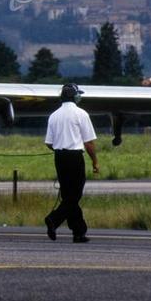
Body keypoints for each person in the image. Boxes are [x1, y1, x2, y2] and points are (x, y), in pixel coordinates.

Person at [44, 83, 99, 243]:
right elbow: (89, 142)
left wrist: (60, 147)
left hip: (59, 157)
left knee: (68, 195)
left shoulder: (53, 116)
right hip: (75, 157)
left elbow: (49, 143)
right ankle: (53, 219)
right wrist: (95, 161)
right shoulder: (81, 114)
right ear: (74, 96)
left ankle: (78, 232)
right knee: (75, 196)